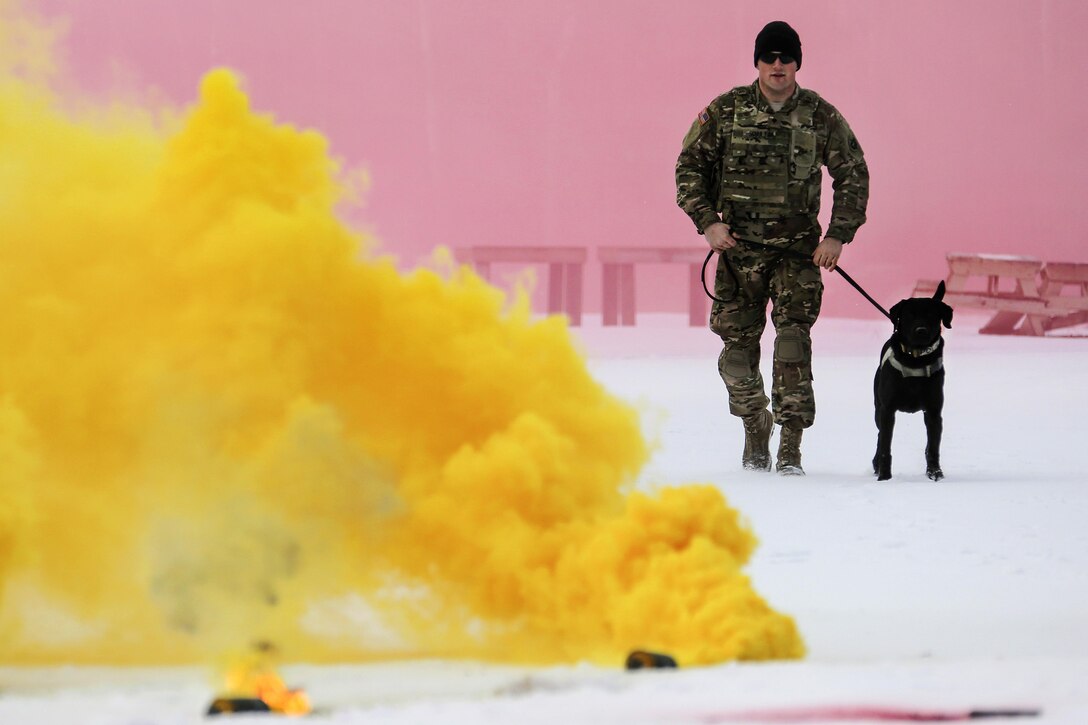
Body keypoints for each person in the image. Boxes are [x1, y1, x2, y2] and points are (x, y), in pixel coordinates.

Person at [675, 20, 869, 475]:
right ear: (757, 62)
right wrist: (708, 223)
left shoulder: (820, 116)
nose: (777, 65)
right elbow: (689, 168)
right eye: (769, 57)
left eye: (786, 57)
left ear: (798, 62)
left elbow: (853, 173)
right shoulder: (727, 111)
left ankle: (791, 447)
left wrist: (838, 234)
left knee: (792, 347)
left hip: (797, 255)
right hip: (738, 253)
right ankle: (755, 424)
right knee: (737, 358)